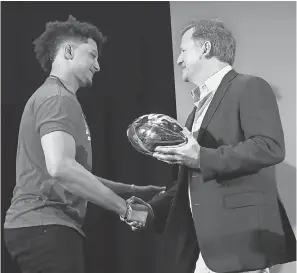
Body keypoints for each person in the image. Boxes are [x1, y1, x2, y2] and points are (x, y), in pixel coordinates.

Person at [128, 19, 296, 273]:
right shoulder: (196, 111)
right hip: (204, 249)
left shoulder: (249, 86)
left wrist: (200, 158)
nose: (178, 60)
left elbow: (269, 146)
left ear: (205, 48)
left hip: (239, 244)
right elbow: (190, 180)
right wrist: (153, 209)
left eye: (183, 50)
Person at [3, 15, 164, 273]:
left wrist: (133, 189)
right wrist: (125, 210)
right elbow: (61, 168)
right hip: (45, 225)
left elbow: (72, 173)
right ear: (68, 51)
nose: (98, 65)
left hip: (42, 227)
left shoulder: (58, 97)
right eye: (92, 55)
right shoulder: (57, 98)